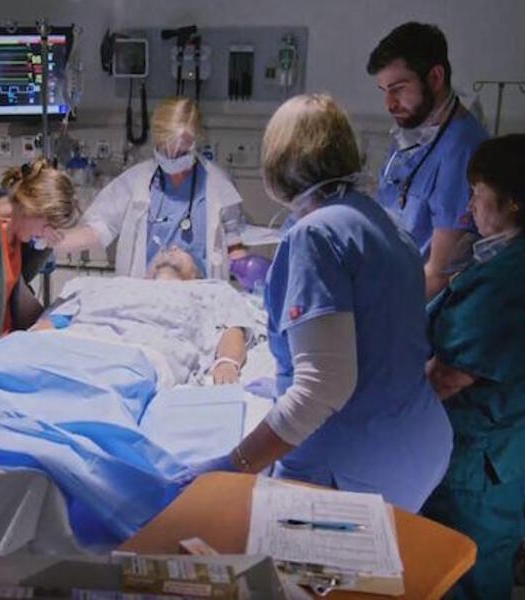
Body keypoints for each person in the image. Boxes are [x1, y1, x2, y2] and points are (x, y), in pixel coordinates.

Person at [216, 94, 452, 512]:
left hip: (354, 463)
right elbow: (376, 340)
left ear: (279, 165)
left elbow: (322, 388)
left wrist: (235, 465)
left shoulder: (316, 235)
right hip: (416, 445)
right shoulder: (386, 224)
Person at [421, 135, 525, 600]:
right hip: (502, 455)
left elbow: (446, 378)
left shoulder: (505, 282)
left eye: (477, 194)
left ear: (512, 202)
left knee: (461, 574)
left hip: (475, 469)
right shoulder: (501, 262)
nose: (468, 208)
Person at [51, 97, 246, 279]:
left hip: (201, 295)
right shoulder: (136, 181)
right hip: (146, 292)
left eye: (181, 153)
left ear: (196, 142)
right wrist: (50, 243)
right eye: (165, 151)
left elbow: (234, 242)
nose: (172, 159)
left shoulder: (218, 184)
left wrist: (248, 272)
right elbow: (98, 229)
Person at [367, 22, 488, 299]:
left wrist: (377, 313)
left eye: (398, 88)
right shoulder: (412, 132)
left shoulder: (463, 149)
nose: (389, 103)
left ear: (435, 77)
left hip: (415, 306)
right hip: (388, 282)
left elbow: (438, 274)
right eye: (384, 90)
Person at [32, 247, 258, 387]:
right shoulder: (108, 285)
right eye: (166, 250)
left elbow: (234, 327)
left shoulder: (209, 290)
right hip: (75, 344)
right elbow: (61, 317)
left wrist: (227, 362)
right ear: (147, 273)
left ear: (196, 275)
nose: (172, 248)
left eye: (181, 251)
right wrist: (30, 341)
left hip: (140, 357)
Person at [0, 159, 77, 347]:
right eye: (48, 225)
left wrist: (44, 244)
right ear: (33, 208)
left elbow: (17, 279)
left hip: (6, 335)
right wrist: (3, 350)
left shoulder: (15, 227)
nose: (47, 232)